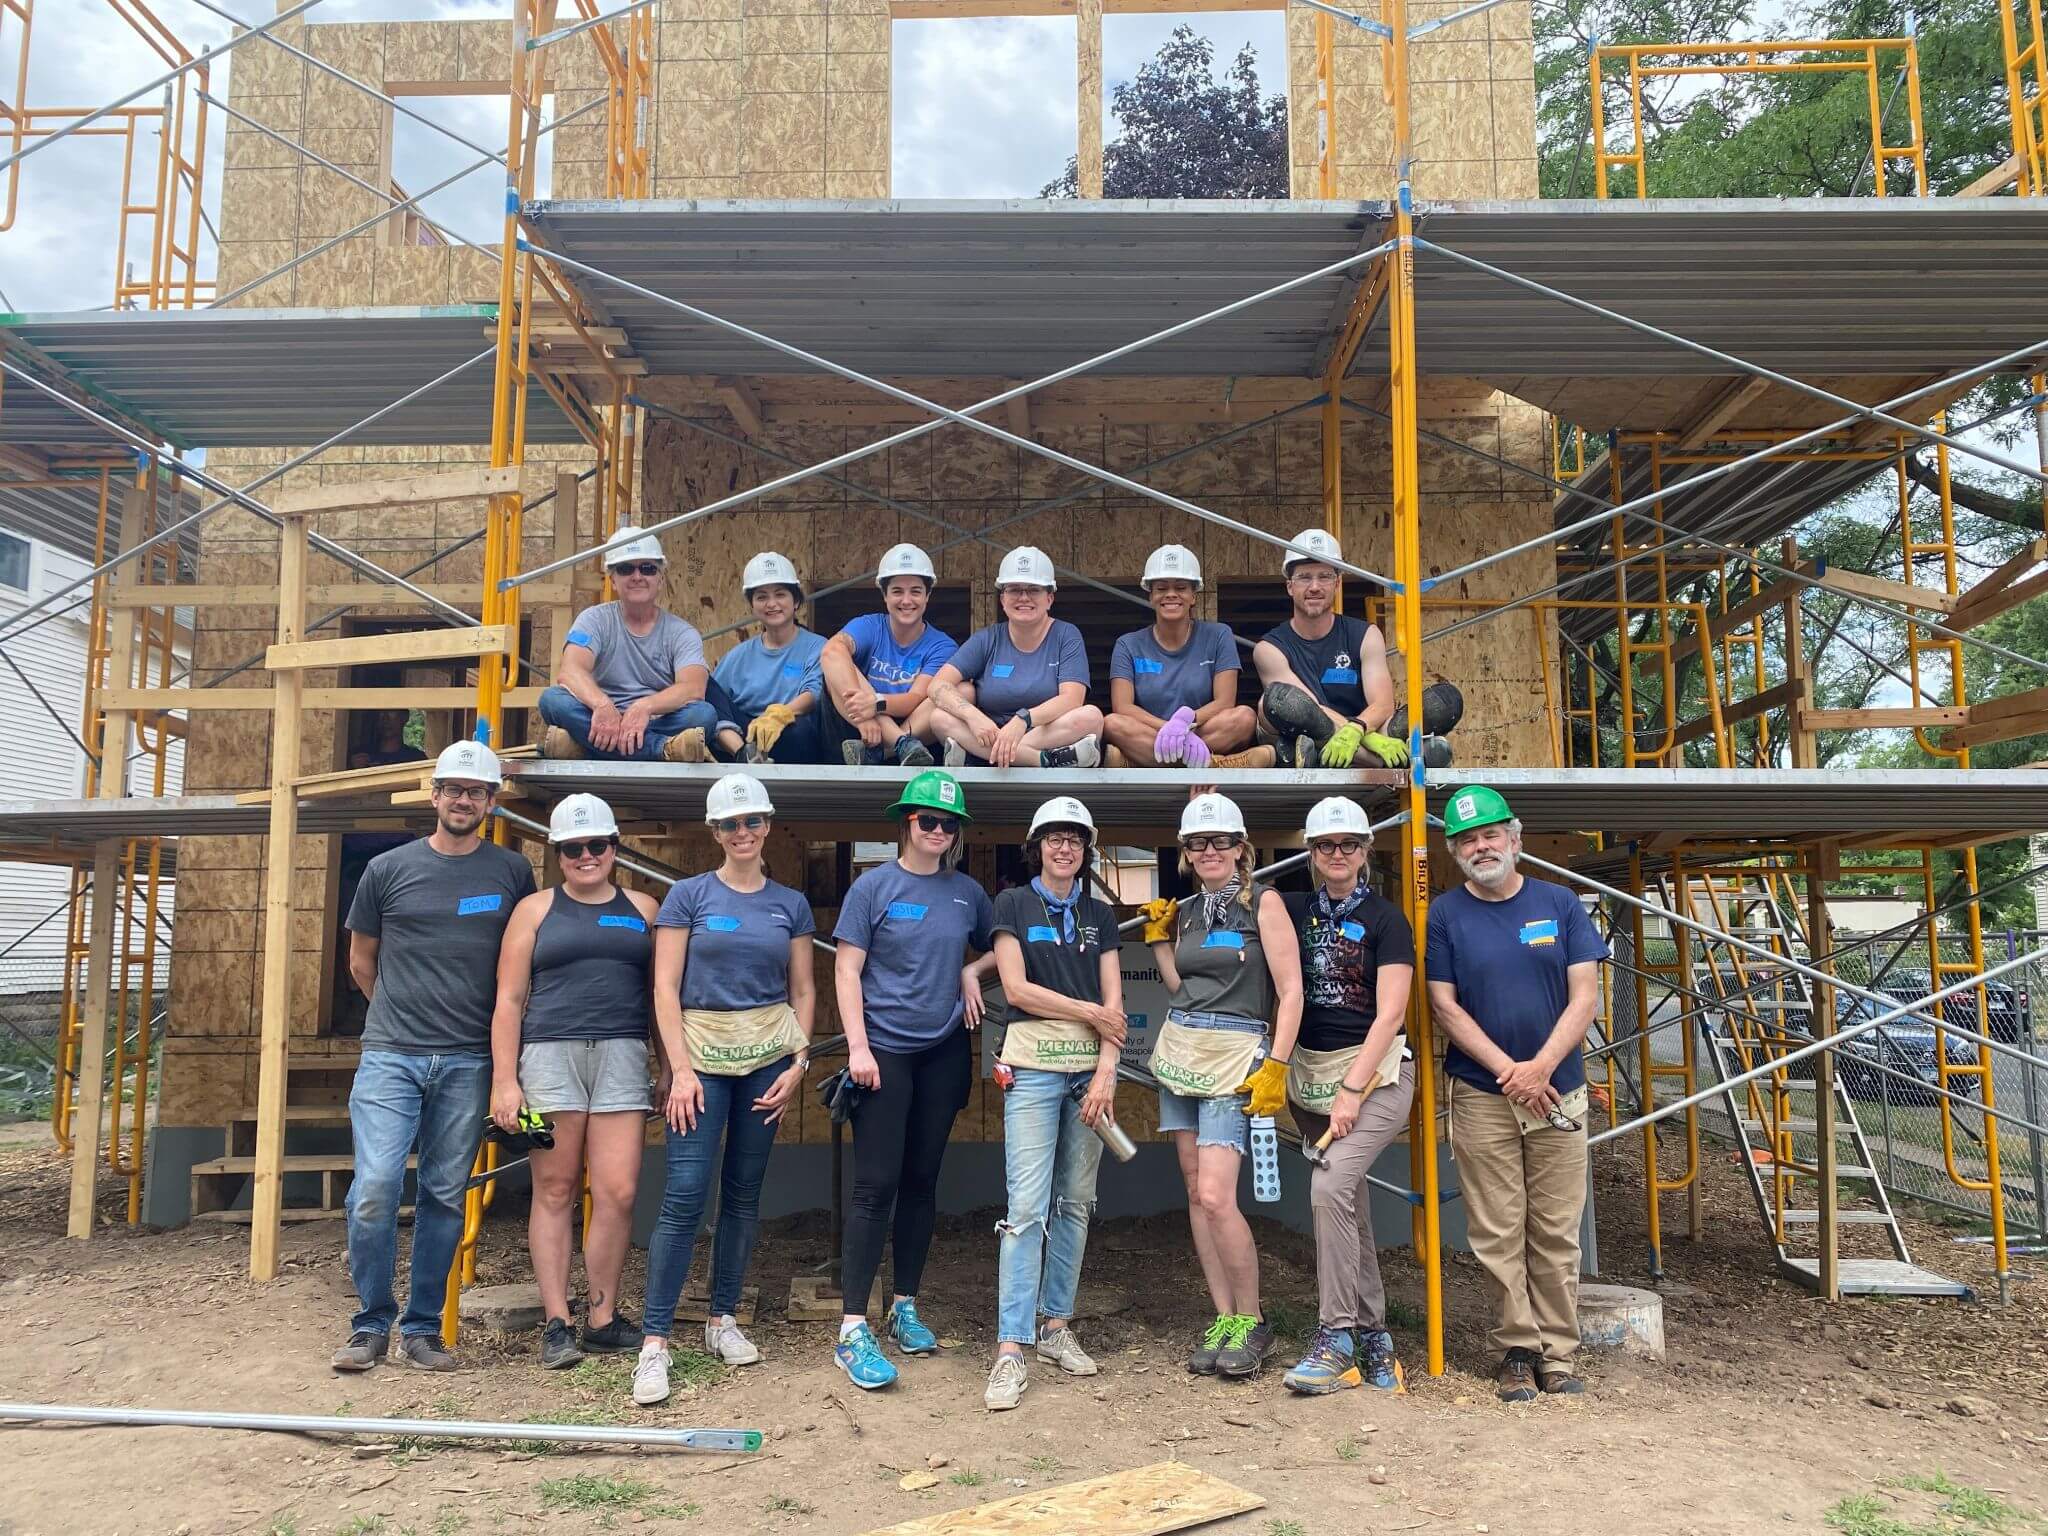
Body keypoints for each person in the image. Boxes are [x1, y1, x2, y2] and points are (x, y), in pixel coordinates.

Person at [333, 740, 537, 1373]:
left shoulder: (510, 872)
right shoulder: (387, 870)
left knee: (445, 1194)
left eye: (474, 791)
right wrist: (400, 1013)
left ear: (490, 801)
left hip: (470, 1060)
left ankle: (422, 1329)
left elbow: (517, 969)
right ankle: (370, 1322)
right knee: (374, 1187)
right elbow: (360, 962)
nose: (461, 799)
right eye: (452, 788)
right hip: (392, 1054)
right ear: (434, 794)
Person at [637, 772, 817, 1404]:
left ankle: (722, 1318)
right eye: (731, 824)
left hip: (768, 1057)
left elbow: (802, 989)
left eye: (753, 822)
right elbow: (665, 989)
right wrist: (678, 1069)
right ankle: (655, 1341)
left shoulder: (789, 904)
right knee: (685, 1194)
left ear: (767, 825)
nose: (743, 833)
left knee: (743, 1194)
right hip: (701, 1059)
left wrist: (798, 1063)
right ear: (714, 832)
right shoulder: (687, 896)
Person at [1425, 784, 1606, 1402]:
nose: (1481, 846)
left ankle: (1559, 1353)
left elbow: (1586, 994)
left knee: (1557, 1228)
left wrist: (1542, 1068)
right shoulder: (1447, 913)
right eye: (1467, 839)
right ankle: (1517, 1350)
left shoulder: (1561, 904)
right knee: (1497, 1229)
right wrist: (1512, 1071)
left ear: (1515, 836)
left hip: (1560, 1092)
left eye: (1490, 834)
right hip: (1482, 1092)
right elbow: (1444, 1006)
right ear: (1454, 850)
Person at [829, 769, 995, 1390]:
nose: (938, 832)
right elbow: (848, 972)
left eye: (949, 824)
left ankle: (904, 1306)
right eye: (928, 820)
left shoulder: (966, 893)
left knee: (923, 1181)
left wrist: (969, 974)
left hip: (944, 1050)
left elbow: (999, 949)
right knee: (876, 1185)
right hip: (883, 1053)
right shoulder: (873, 887)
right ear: (907, 822)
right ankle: (851, 1328)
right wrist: (858, 1048)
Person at [488, 793, 657, 1369]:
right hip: (549, 1058)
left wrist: (668, 1066)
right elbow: (509, 1000)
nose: (587, 856)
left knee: (617, 1192)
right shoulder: (534, 910)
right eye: (573, 848)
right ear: (558, 853)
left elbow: (663, 998)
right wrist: (504, 1083)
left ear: (614, 848)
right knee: (555, 1189)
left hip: (623, 1055)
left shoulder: (644, 907)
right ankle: (557, 1321)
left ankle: (603, 1318)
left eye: (598, 845)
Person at [1138, 792, 1303, 1381]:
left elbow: (1291, 992)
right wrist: (1160, 941)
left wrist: (1277, 1064)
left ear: (1241, 849)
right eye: (1197, 844)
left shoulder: (1264, 904)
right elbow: (1180, 988)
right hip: (1184, 1047)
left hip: (1236, 1053)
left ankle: (1253, 1320)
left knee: (1216, 1195)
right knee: (1193, 1191)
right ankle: (1223, 1317)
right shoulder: (1185, 912)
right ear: (1185, 853)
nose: (1210, 852)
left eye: (1221, 842)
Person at [979, 795, 1127, 1412]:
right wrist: (1086, 1012)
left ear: (1086, 847)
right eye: (1053, 838)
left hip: (1088, 1073)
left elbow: (1115, 1012)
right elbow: (1013, 987)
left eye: (1074, 838)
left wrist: (1106, 1075)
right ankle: (1011, 1348)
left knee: (1076, 1204)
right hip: (1034, 1067)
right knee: (1027, 1208)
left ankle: (1056, 1327)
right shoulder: (1012, 903)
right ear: (1036, 847)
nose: (1064, 848)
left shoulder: (1101, 913)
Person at [1276, 797, 1416, 1395]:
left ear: (1365, 852)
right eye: (1326, 846)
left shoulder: (1388, 920)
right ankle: (1374, 1336)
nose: (1338, 855)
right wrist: (1210, 818)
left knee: (1329, 1184)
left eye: (1349, 845)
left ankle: (1334, 1336)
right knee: (1348, 1206)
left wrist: (1354, 1088)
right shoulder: (1291, 908)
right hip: (1311, 1078)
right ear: (1310, 853)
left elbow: (1391, 1014)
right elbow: (1218, 884)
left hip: (1377, 1074)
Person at [1251, 527, 1462, 769]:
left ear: (1338, 583)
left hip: (1366, 728)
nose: (1315, 587)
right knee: (1278, 701)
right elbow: (1306, 708)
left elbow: (1382, 704)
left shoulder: (1366, 635)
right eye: (1305, 577)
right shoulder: (1269, 648)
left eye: (1325, 576)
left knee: (1446, 701)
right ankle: (1398, 759)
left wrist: (1358, 728)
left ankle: (1344, 753)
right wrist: (1369, 739)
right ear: (1290, 586)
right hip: (1318, 731)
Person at [538, 526, 718, 763]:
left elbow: (693, 688)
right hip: (598, 717)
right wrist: (603, 705)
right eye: (625, 569)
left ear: (660, 579)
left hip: (655, 720)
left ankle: (587, 746)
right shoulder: (593, 619)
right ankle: (663, 749)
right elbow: (571, 671)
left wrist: (644, 707)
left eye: (647, 568)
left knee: (704, 715)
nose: (637, 576)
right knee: (552, 700)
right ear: (613, 580)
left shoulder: (682, 632)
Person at [922, 546, 1103, 769]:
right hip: (989, 734)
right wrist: (972, 716)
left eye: (1033, 589)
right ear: (1003, 599)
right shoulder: (987, 638)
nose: (1024, 597)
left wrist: (1022, 720)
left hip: (1043, 733)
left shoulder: (1066, 635)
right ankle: (1044, 761)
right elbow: (937, 685)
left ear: (1049, 598)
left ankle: (987, 757)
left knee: (1092, 716)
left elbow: (1072, 700)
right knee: (938, 717)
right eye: (1015, 589)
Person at [1103, 544, 1274, 771]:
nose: (1171, 594)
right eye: (1161, 588)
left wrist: (1186, 723)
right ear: (1151, 595)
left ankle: (1137, 762)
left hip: (1200, 730)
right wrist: (1169, 729)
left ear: (1194, 595)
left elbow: (1224, 702)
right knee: (1112, 723)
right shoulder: (1128, 644)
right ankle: (1216, 763)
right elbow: (1123, 707)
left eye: (1181, 587)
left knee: (1244, 718)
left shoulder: (1219, 635)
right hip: (1152, 732)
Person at [822, 542, 955, 768]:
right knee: (834, 659)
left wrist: (875, 704)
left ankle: (885, 751)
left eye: (915, 591)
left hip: (911, 724)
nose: (906, 600)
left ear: (927, 595)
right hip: (862, 727)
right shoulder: (869, 626)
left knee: (954, 693)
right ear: (884, 595)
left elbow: (914, 699)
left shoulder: (942, 646)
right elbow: (832, 651)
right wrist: (864, 718)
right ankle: (902, 745)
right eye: (897, 591)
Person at [700, 551, 830, 765]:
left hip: (792, 735)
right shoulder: (738, 656)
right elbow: (716, 702)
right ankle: (744, 754)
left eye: (780, 594)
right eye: (762, 597)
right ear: (752, 605)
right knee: (703, 682)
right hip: (745, 738)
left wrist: (781, 714)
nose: (772, 604)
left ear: (796, 600)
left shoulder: (817, 646)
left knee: (800, 728)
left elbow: (814, 693)